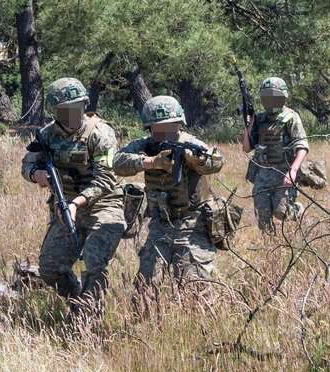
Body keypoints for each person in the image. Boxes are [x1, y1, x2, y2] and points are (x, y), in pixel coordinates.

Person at [21, 77, 125, 317]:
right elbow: (26, 165)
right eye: (65, 110)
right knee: (50, 267)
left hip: (103, 204)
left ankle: (88, 320)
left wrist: (77, 203)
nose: (71, 114)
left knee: (92, 262)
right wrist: (36, 174)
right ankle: (79, 301)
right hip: (65, 206)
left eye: (76, 108)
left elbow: (106, 179)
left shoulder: (101, 133)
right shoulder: (46, 136)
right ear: (55, 111)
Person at [114, 96, 224, 284]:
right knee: (145, 287)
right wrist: (151, 162)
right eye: (160, 128)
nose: (166, 132)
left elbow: (217, 161)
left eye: (171, 126)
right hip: (160, 224)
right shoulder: (145, 145)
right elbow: (117, 162)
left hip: (192, 224)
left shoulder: (192, 144)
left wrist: (196, 161)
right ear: (149, 127)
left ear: (180, 124)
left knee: (194, 287)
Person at [242, 77, 309, 233]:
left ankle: (297, 210)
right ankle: (270, 248)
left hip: (283, 172)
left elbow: (303, 146)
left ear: (282, 96)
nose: (270, 100)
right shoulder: (259, 119)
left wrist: (293, 171)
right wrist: (248, 125)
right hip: (262, 174)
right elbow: (246, 148)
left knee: (281, 212)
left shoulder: (291, 117)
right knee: (262, 216)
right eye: (266, 97)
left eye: (273, 97)